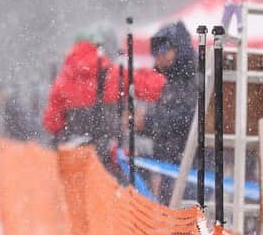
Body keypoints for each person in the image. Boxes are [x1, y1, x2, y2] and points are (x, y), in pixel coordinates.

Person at [42, 36, 165, 178]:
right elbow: (155, 88)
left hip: (76, 160)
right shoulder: (113, 74)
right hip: (111, 159)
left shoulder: (62, 82)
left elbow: (51, 123)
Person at [140, 21, 197, 204]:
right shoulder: (170, 80)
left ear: (178, 48)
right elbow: (166, 122)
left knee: (188, 222)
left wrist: (147, 121)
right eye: (154, 52)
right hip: (169, 166)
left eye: (163, 49)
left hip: (191, 166)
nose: (158, 57)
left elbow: (190, 119)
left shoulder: (195, 75)